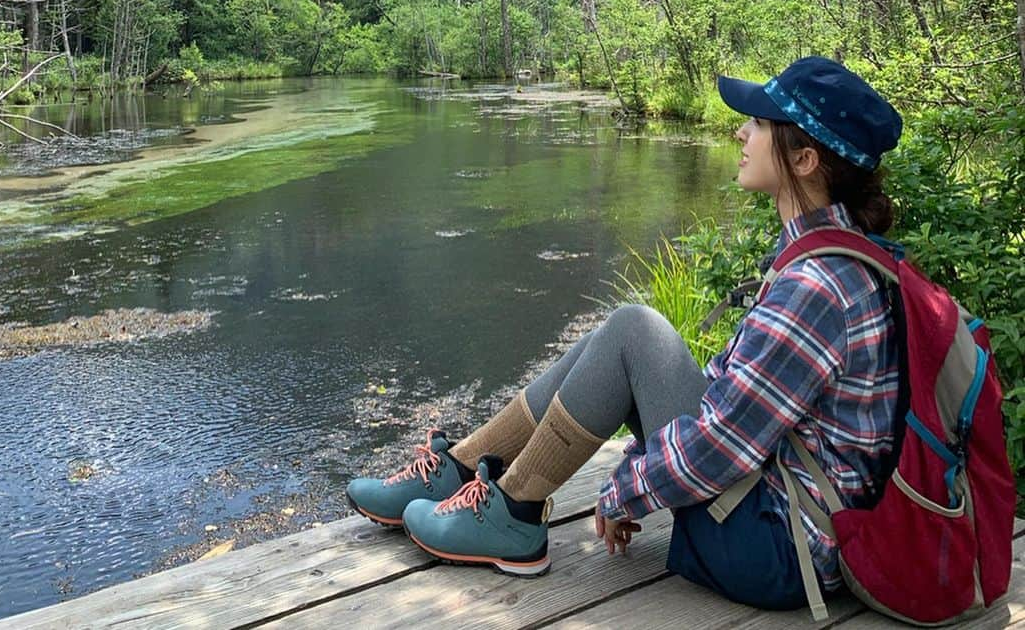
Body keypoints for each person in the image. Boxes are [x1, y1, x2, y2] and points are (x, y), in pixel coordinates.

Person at [345, 56, 904, 610]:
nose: (741, 131)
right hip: (780, 514)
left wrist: (622, 494)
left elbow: (722, 445)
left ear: (804, 159)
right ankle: (463, 471)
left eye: (758, 123)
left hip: (779, 549)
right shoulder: (833, 258)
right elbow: (730, 391)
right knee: (621, 333)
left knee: (635, 328)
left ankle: (512, 514)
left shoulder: (817, 286)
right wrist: (638, 458)